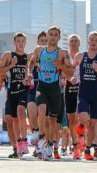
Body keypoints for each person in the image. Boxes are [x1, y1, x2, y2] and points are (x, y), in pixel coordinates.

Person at [26, 26, 73, 161]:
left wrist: (61, 65)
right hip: (42, 87)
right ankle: (41, 140)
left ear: (59, 37)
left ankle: (50, 146)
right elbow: (31, 62)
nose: (52, 37)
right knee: (41, 110)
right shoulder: (39, 50)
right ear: (47, 36)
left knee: (52, 121)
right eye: (50, 34)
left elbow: (70, 73)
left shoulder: (62, 53)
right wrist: (29, 73)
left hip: (55, 89)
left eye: (55, 35)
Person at [72, 31, 97, 160]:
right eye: (91, 39)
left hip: (95, 94)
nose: (93, 42)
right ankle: (81, 131)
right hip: (83, 93)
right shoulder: (80, 55)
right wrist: (72, 78)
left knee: (94, 124)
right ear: (88, 41)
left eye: (96, 40)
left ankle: (87, 150)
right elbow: (70, 70)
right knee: (84, 119)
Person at [0, 32, 30, 157]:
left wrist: (28, 79)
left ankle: (24, 142)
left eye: (23, 41)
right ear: (14, 42)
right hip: (11, 92)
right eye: (18, 41)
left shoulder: (28, 57)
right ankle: (18, 145)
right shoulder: (8, 55)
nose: (21, 43)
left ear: (25, 43)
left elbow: (30, 73)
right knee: (13, 119)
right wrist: (11, 65)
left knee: (21, 112)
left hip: (24, 90)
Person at [27, 31, 48, 149]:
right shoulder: (31, 55)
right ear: (37, 42)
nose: (44, 43)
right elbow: (28, 68)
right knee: (31, 110)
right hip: (32, 88)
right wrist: (28, 74)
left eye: (46, 41)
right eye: (42, 41)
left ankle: (41, 140)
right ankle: (35, 131)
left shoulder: (51, 54)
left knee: (42, 115)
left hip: (45, 87)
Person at [64, 34, 81, 159]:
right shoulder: (65, 57)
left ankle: (81, 143)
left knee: (81, 118)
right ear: (68, 43)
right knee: (72, 120)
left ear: (79, 43)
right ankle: (75, 145)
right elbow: (61, 74)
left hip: (82, 89)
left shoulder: (82, 57)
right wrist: (68, 78)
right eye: (71, 41)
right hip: (69, 89)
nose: (74, 43)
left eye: (76, 41)